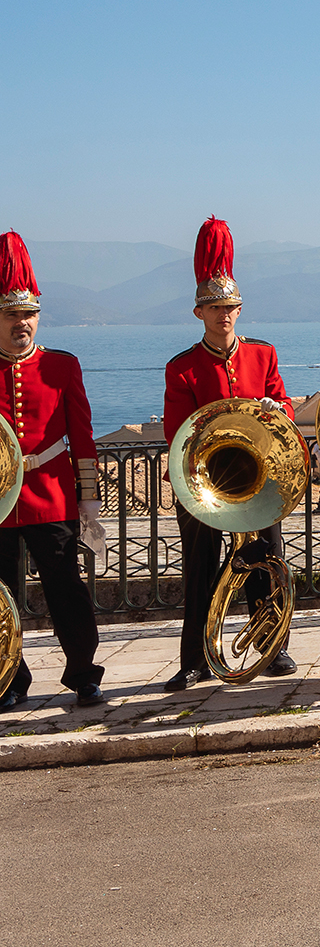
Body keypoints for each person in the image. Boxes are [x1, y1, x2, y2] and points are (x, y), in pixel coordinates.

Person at [161, 217, 298, 690]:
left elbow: (282, 407)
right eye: (215, 308)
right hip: (207, 484)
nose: (224, 315)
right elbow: (177, 431)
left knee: (267, 562)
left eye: (231, 308)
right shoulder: (182, 367)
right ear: (198, 312)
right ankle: (194, 659)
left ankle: (273, 645)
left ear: (240, 311)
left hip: (259, 480)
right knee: (199, 571)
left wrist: (273, 408)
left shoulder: (263, 354)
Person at [0, 232, 105, 709]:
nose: (22, 323)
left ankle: (84, 673)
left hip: (50, 494)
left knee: (67, 589)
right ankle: (8, 679)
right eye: (11, 314)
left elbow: (81, 435)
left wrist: (87, 495)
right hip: (0, 502)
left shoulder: (62, 366)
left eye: (29, 314)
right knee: (1, 598)